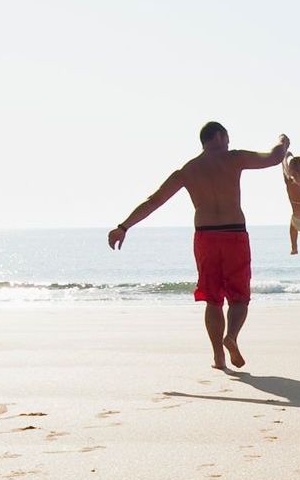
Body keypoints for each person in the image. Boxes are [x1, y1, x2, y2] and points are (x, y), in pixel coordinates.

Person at [107, 122, 288, 371]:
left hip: (206, 237)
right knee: (239, 298)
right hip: (234, 233)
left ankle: (218, 358)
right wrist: (282, 141)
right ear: (219, 136)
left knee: (212, 300)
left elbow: (155, 201)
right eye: (227, 137)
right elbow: (274, 157)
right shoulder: (233, 158)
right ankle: (232, 336)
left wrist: (123, 227)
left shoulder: (188, 170)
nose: (229, 142)